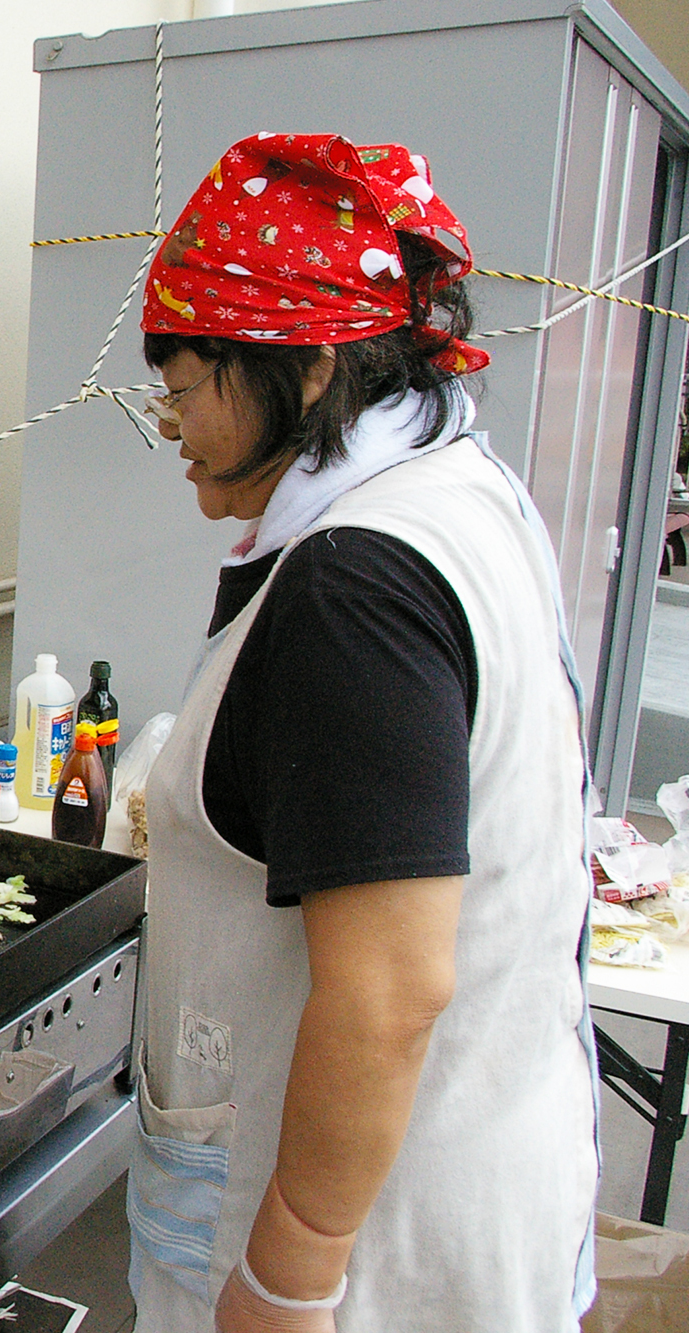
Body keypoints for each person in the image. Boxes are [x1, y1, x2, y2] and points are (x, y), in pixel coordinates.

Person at [127, 135, 596, 1332]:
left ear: (311, 368)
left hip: (369, 1253)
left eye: (184, 389)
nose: (170, 424)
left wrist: (292, 1268)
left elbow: (387, 992)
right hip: (483, 1156)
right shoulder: (456, 487)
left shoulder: (355, 586)